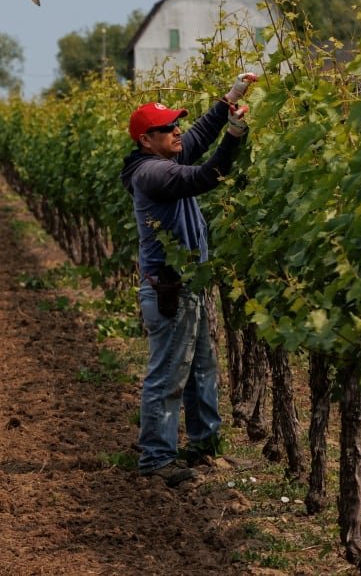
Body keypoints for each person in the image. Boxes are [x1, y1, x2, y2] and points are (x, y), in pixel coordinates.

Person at [119, 73, 255, 487]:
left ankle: (204, 445)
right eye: (167, 128)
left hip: (188, 286)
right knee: (169, 374)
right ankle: (157, 458)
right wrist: (233, 135)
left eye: (176, 123)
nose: (178, 130)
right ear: (147, 140)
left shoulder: (166, 157)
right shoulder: (152, 174)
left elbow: (196, 137)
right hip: (170, 290)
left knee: (201, 369)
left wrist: (228, 101)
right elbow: (203, 177)